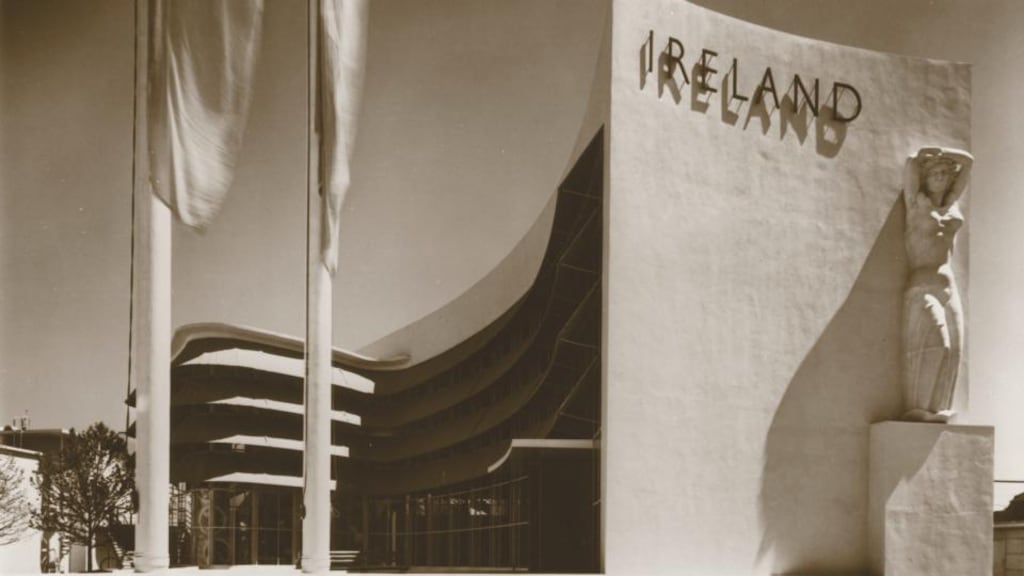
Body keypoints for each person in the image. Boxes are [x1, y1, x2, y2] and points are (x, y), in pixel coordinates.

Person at [901, 146, 973, 422]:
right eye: (935, 173)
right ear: (926, 178)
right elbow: (909, 167)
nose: (941, 177)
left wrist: (949, 153)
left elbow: (969, 164)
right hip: (922, 285)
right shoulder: (917, 203)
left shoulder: (951, 205)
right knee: (937, 344)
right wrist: (924, 156)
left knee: (954, 350)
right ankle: (919, 408)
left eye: (945, 173)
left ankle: (940, 408)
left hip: (948, 286)